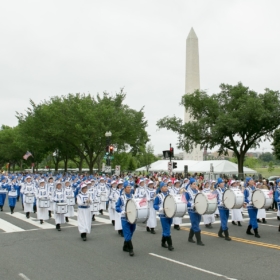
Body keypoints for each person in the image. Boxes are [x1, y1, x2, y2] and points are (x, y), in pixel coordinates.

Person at [116, 181, 136, 256]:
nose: (129, 188)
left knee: (132, 231)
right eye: (128, 187)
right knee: (127, 233)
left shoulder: (133, 196)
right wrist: (122, 211)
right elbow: (117, 207)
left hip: (133, 217)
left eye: (130, 187)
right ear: (124, 188)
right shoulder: (121, 198)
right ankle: (131, 249)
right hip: (125, 217)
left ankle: (125, 246)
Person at [153, 182, 174, 251]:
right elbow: (155, 205)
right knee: (167, 230)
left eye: (166, 186)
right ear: (161, 188)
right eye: (164, 186)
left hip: (170, 214)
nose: (166, 187)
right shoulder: (159, 196)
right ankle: (170, 245)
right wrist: (159, 208)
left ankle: (163, 242)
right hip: (163, 214)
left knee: (167, 229)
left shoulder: (170, 195)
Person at [185, 178, 205, 245]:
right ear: (190, 185)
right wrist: (191, 204)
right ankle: (199, 241)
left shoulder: (197, 191)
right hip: (191, 210)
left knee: (196, 223)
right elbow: (185, 201)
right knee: (195, 224)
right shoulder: (187, 192)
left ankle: (190, 238)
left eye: (195, 184)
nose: (195, 185)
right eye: (194, 184)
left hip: (198, 209)